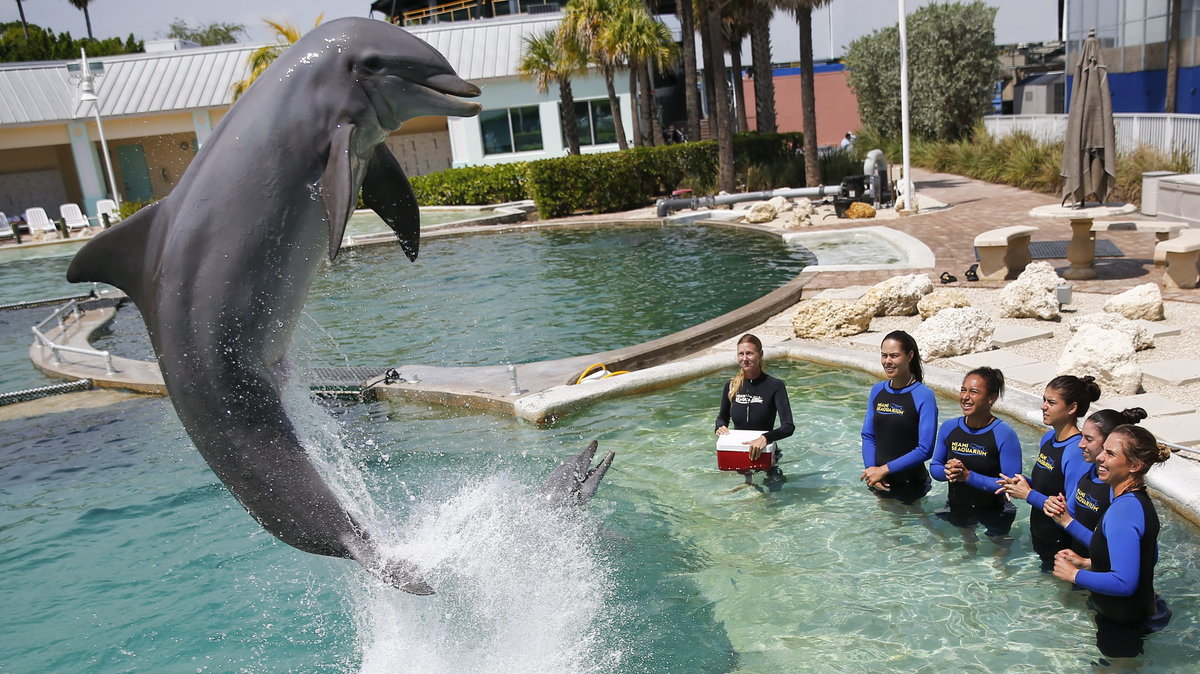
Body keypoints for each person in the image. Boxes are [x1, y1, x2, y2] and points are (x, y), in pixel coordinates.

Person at [1052, 424, 1172, 659]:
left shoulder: (1124, 510)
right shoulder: (1133, 501)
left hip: (1123, 622)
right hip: (1131, 615)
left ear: (1135, 466)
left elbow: (1124, 583)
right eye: (1103, 450)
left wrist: (1074, 575)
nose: (1100, 457)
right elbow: (1145, 556)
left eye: (1110, 454)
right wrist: (1088, 562)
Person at [997, 375, 1101, 570]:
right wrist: (1022, 482)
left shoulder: (1076, 451)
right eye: (1044, 400)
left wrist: (1028, 494)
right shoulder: (1048, 438)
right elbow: (1049, 484)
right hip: (1041, 535)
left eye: (1051, 402)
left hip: (1061, 544)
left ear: (1072, 408)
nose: (1043, 406)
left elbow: (1071, 509)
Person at [930, 367, 1022, 537]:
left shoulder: (1004, 434)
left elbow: (1013, 485)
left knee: (999, 559)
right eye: (963, 390)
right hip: (958, 507)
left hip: (996, 511)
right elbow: (935, 466)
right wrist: (948, 471)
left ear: (991, 398)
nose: (965, 397)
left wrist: (968, 476)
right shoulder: (949, 428)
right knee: (964, 556)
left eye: (974, 392)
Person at [1045, 408, 1149, 557]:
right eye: (1082, 436)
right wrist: (1056, 508)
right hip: (1077, 565)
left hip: (1098, 573)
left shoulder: (1118, 490)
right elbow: (1070, 514)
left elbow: (1116, 551)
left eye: (1089, 439)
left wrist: (1067, 522)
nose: (1080, 444)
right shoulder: (1087, 469)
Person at [860, 330, 938, 504]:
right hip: (879, 481)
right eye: (884, 355)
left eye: (894, 356)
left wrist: (884, 470)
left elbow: (925, 449)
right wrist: (872, 470)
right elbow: (868, 435)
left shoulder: (924, 395)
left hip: (911, 484)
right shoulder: (877, 390)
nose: (888, 361)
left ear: (910, 356)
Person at [714, 334, 794, 477]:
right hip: (738, 451)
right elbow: (722, 417)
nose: (745, 358)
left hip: (766, 453)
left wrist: (766, 437)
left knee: (772, 495)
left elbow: (788, 427)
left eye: (749, 353)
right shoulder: (731, 386)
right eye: (741, 354)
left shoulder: (775, 386)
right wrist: (720, 427)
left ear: (760, 354)